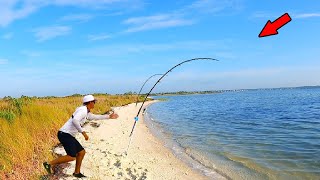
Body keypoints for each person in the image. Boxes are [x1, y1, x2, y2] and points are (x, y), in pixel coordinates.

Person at [43, 95, 119, 178]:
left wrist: (108, 116)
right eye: (94, 102)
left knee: (81, 152)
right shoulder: (82, 110)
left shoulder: (85, 111)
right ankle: (49, 164)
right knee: (72, 156)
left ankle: (77, 172)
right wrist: (83, 132)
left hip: (68, 135)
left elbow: (94, 117)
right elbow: (75, 120)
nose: (94, 103)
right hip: (64, 134)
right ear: (90, 102)